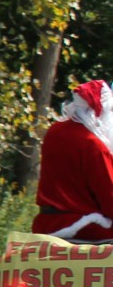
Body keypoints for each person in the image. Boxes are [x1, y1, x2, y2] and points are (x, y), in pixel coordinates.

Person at [34, 79, 113, 242]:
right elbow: (110, 199)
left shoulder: (54, 131)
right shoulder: (93, 145)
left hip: (45, 223)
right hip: (82, 227)